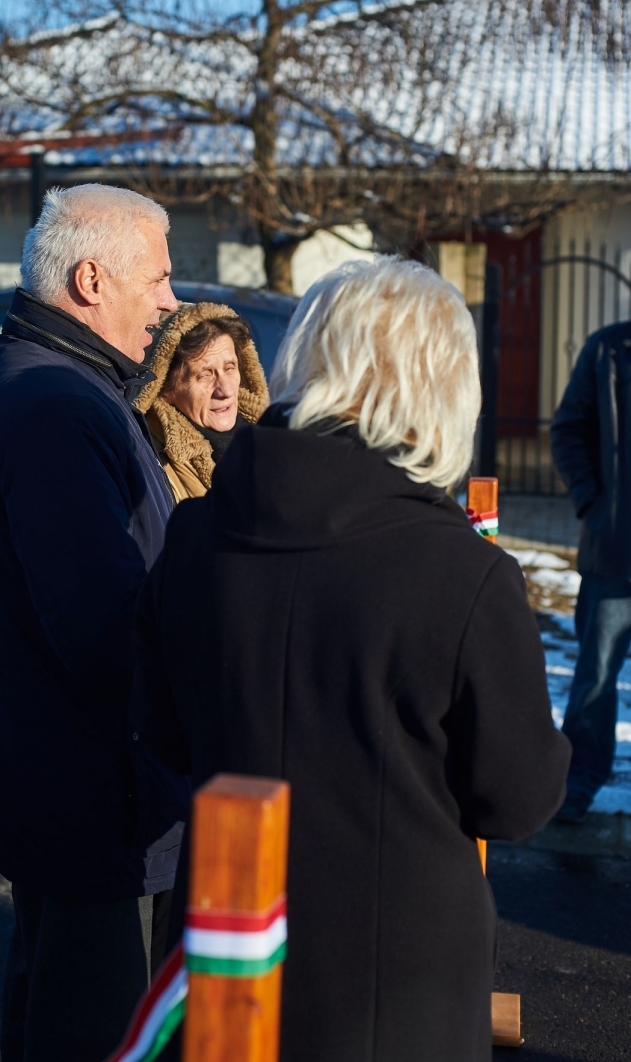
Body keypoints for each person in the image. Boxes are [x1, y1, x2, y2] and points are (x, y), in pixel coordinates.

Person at [137, 258, 570, 1062]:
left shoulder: (196, 538)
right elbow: (515, 797)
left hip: (229, 960)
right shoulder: (464, 574)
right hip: (396, 985)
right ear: (439, 387)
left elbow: (163, 735)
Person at [0, 183, 189, 1062]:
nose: (171, 301)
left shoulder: (50, 379)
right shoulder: (56, 404)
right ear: (91, 279)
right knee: (95, 1031)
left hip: (60, 784)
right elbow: (103, 627)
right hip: (88, 797)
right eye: (157, 279)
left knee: (51, 1012)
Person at [550, 320, 631, 822]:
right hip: (615, 548)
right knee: (597, 676)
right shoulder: (608, 349)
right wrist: (594, 507)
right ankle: (578, 783)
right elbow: (568, 430)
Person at [135, 302, 269, 501]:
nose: (226, 390)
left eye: (230, 368)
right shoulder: (152, 465)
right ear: (165, 388)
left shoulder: (275, 438)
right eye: (205, 375)